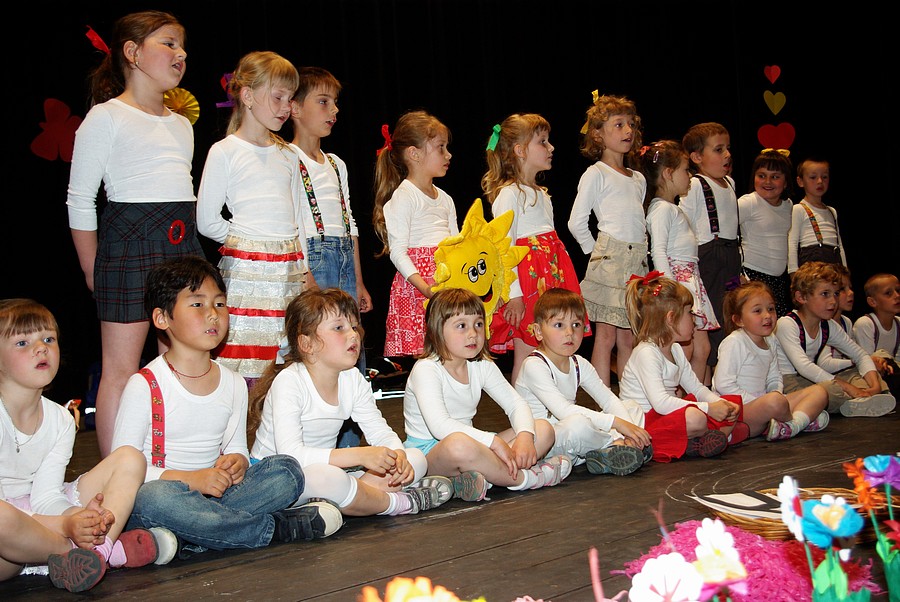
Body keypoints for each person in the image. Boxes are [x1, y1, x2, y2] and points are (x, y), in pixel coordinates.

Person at [111, 257, 342, 559]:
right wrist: (193, 479)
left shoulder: (233, 382)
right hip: (167, 494)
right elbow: (121, 472)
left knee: (287, 471)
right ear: (162, 318)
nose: (213, 314)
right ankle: (272, 529)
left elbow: (236, 449)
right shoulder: (145, 384)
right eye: (197, 304)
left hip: (218, 496)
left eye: (219, 304)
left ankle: (188, 538)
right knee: (154, 499)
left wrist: (237, 462)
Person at [66, 11, 204, 457]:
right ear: (132, 52)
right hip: (128, 248)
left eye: (182, 45)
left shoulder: (182, 124)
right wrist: (93, 270)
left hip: (183, 245)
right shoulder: (105, 117)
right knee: (121, 370)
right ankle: (115, 472)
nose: (181, 53)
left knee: (181, 363)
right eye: (169, 43)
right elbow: (79, 201)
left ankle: (175, 460)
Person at [1, 299, 163, 592]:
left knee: (130, 457)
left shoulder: (61, 419)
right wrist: (66, 527)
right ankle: (87, 552)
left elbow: (46, 496)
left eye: (48, 339)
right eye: (23, 343)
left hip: (40, 515)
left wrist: (81, 519)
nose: (41, 348)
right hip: (11, 536)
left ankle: (96, 550)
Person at [248, 289, 452, 518]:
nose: (353, 335)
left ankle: (349, 500)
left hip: (324, 474)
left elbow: (379, 431)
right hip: (276, 479)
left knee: (415, 458)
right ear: (307, 343)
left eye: (354, 326)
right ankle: (397, 502)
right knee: (330, 478)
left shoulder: (352, 378)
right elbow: (291, 456)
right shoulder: (290, 381)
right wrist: (361, 456)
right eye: (339, 328)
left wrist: (397, 455)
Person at [197, 51, 314, 384]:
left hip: (289, 272)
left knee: (287, 354)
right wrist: (252, 246)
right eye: (277, 97)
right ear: (247, 96)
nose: (285, 107)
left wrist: (303, 269)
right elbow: (207, 220)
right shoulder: (225, 151)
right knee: (243, 357)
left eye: (290, 99)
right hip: (247, 274)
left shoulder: (289, 155)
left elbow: (299, 221)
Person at [403, 288, 572, 500]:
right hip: (431, 456)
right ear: (437, 330)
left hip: (473, 446)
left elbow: (516, 404)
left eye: (478, 324)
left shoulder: (481, 365)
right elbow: (440, 426)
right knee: (458, 444)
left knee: (543, 429)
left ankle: (478, 478)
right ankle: (524, 479)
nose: (473, 334)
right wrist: (493, 442)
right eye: (462, 326)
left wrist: (525, 436)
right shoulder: (426, 369)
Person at [288, 66, 369, 447]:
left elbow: (350, 222)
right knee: (320, 347)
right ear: (294, 108)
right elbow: (291, 221)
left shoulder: (337, 164)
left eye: (335, 103)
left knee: (350, 344)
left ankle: (352, 447)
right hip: (313, 259)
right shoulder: (287, 158)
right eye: (323, 102)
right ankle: (314, 445)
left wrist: (359, 280)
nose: (333, 110)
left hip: (343, 259)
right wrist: (304, 272)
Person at [480, 114, 587, 385]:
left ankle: (549, 403)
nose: (551, 148)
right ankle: (521, 408)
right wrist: (514, 295)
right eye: (543, 142)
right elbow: (504, 248)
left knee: (550, 351)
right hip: (529, 282)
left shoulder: (542, 194)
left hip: (551, 276)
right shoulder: (509, 194)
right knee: (527, 353)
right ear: (520, 150)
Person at [514, 289, 651, 476]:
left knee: (631, 407)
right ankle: (615, 445)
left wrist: (628, 427)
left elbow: (608, 400)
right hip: (548, 442)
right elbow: (564, 411)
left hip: (576, 441)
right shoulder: (534, 365)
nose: (569, 333)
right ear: (538, 331)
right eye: (559, 325)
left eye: (576, 325)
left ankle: (611, 449)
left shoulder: (579, 363)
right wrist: (620, 425)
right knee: (578, 424)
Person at [567, 92, 648, 388]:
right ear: (598, 134)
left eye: (631, 124)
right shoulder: (596, 173)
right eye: (618, 124)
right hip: (611, 258)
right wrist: (597, 254)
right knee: (606, 335)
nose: (628, 131)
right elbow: (576, 222)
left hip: (637, 261)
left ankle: (628, 397)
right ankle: (605, 401)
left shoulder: (638, 179)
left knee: (629, 336)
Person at [617, 274, 743, 463]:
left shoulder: (675, 349)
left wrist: (719, 403)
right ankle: (705, 439)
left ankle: (697, 442)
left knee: (732, 402)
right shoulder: (646, 352)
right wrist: (708, 409)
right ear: (671, 318)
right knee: (695, 418)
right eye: (689, 313)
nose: (694, 320)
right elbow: (661, 403)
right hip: (644, 422)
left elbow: (696, 388)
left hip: (666, 415)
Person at [373, 110, 458, 359]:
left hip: (447, 282)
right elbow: (398, 252)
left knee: (452, 351)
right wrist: (426, 288)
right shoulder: (404, 196)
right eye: (441, 147)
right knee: (425, 357)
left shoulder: (446, 199)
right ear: (414, 153)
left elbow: (457, 245)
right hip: (418, 288)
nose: (448, 154)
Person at [774, 261, 896, 418]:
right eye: (825, 294)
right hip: (790, 380)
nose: (833, 301)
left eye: (836, 294)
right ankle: (855, 402)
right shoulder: (787, 323)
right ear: (802, 297)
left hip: (813, 378)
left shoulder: (828, 325)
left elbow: (860, 355)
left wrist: (874, 385)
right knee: (827, 391)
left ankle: (872, 396)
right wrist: (849, 387)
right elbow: (804, 367)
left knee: (860, 371)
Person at [641, 139, 719, 382]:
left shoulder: (672, 208)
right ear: (668, 173)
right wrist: (672, 291)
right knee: (685, 349)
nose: (690, 175)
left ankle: (697, 395)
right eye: (685, 170)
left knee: (702, 348)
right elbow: (658, 251)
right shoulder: (661, 210)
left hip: (690, 280)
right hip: (679, 283)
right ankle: (679, 395)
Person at [713, 282, 830, 441]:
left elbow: (774, 376)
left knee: (819, 392)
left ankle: (792, 425)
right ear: (739, 320)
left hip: (767, 402)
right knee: (775, 402)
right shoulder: (735, 342)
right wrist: (762, 401)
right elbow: (723, 385)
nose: (767, 315)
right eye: (757, 311)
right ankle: (800, 420)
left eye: (771, 309)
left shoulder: (771, 339)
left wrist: (776, 393)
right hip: (739, 409)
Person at [679, 122, 740, 385]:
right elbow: (683, 225)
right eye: (718, 149)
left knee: (729, 320)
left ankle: (725, 381)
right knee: (710, 326)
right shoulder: (695, 185)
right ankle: (704, 386)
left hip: (731, 257)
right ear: (696, 157)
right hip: (708, 259)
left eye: (728, 148)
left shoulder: (730, 183)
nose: (727, 155)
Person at [737, 150, 794, 317]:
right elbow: (726, 232)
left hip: (778, 280)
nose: (767, 182)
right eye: (761, 176)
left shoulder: (788, 205)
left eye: (775, 177)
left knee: (776, 323)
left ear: (786, 182)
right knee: (757, 323)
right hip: (752, 275)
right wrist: (738, 273)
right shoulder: (749, 202)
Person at [788, 158, 847, 274]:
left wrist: (845, 270)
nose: (820, 181)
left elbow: (840, 245)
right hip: (812, 264)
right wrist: (793, 271)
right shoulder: (798, 209)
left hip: (835, 263)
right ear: (800, 181)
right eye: (813, 177)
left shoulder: (832, 211)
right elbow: (792, 243)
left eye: (824, 177)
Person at [853, 272, 900, 396]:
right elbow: (866, 361)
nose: (897, 296)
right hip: (871, 376)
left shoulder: (898, 323)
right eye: (888, 293)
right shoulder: (865, 324)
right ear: (872, 301)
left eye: (898, 291)